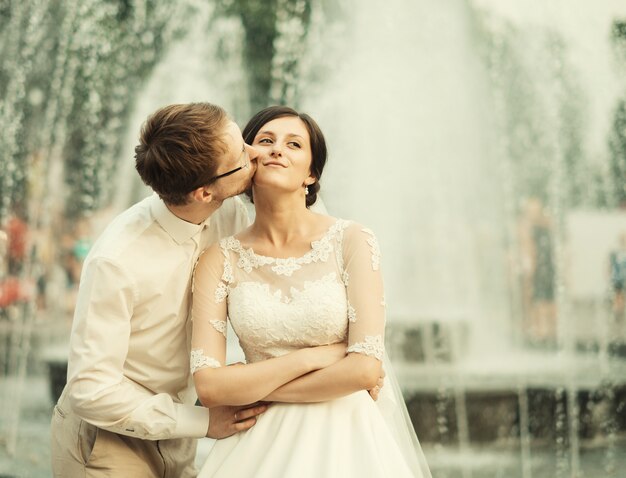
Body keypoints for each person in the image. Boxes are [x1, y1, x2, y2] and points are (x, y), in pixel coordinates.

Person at [50, 102, 344, 478]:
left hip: (179, 434)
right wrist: (202, 423)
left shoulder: (230, 213)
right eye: (242, 153)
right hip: (107, 442)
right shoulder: (117, 261)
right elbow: (91, 391)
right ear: (204, 192)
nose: (257, 152)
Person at [191, 106, 431, 477]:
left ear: (312, 172)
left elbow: (365, 370)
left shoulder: (352, 241)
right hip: (258, 448)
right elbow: (209, 387)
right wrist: (314, 358)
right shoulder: (219, 258)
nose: (276, 149)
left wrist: (254, 388)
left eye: (294, 144)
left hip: (349, 441)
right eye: (265, 141)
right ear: (249, 160)